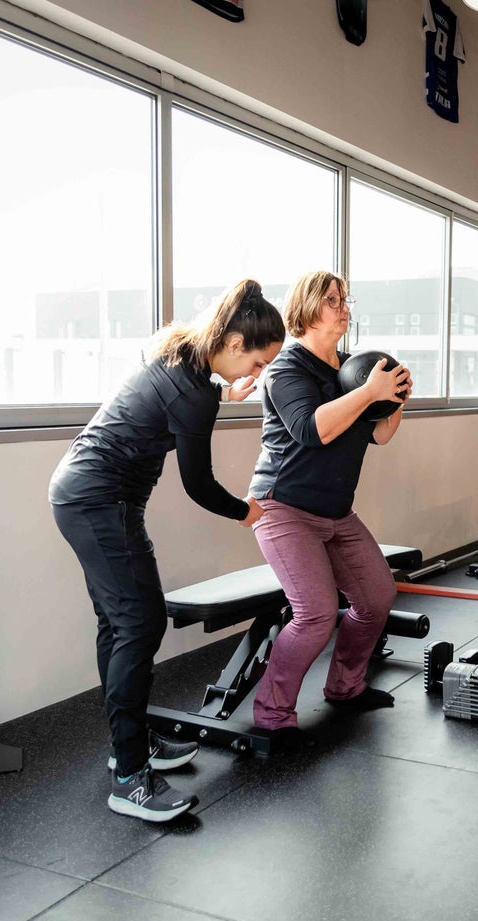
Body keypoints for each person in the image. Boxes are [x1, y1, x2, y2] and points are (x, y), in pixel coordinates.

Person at [48, 279, 284, 822]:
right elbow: (198, 484)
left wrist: (227, 392)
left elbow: (179, 405)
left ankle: (126, 750)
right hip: (98, 499)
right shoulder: (195, 391)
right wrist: (245, 510)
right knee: (140, 624)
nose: (257, 374)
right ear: (231, 343)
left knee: (120, 623)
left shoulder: (181, 356)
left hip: (88, 495)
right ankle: (131, 777)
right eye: (256, 362)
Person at [247, 270, 412, 746]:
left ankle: (345, 686)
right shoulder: (285, 368)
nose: (344, 307)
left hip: (336, 511)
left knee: (377, 597)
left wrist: (396, 399)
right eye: (332, 299)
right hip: (283, 508)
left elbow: (378, 434)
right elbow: (311, 429)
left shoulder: (351, 367)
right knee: (316, 613)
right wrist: (368, 394)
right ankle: (272, 712)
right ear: (304, 307)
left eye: (345, 299)